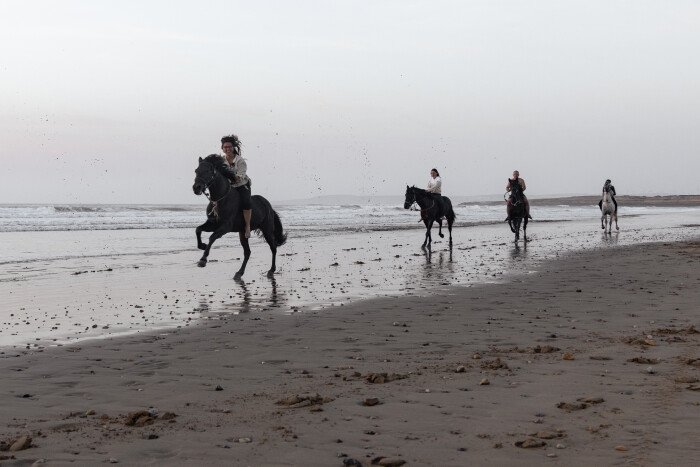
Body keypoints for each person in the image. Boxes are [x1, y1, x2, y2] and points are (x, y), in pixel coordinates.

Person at [221, 134, 252, 238]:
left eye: (229, 146)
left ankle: (247, 226)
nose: (227, 149)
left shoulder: (240, 161)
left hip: (242, 185)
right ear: (222, 148)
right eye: (225, 147)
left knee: (246, 202)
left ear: (233, 147)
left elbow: (240, 176)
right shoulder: (221, 161)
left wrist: (230, 180)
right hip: (229, 187)